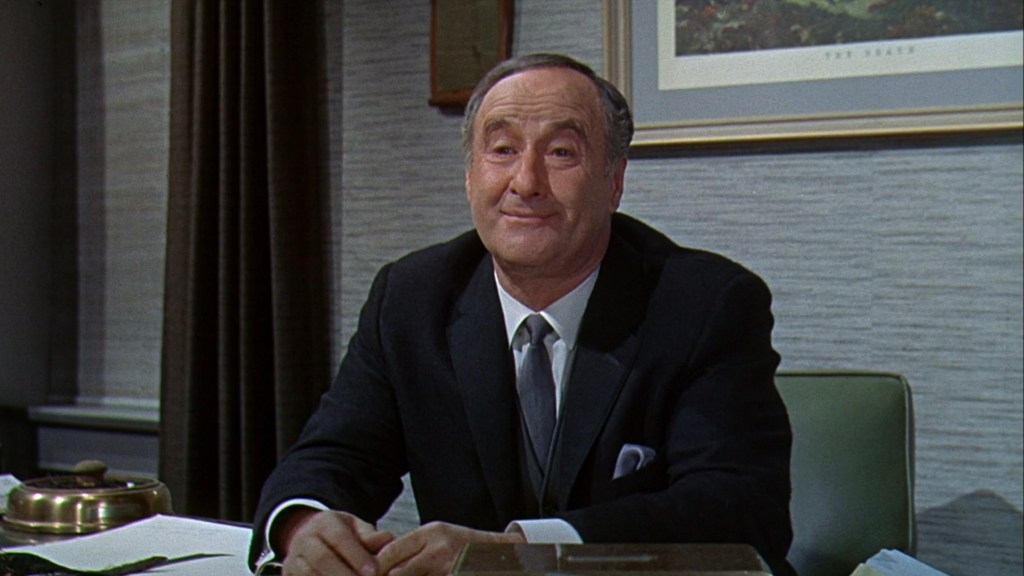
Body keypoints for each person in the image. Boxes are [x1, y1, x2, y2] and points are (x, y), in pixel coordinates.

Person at [250, 53, 794, 576]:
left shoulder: (704, 303)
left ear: (614, 181)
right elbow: (334, 455)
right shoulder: (412, 298)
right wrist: (304, 526)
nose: (526, 182)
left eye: (561, 153)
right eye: (503, 150)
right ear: (469, 177)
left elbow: (739, 512)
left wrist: (522, 553)